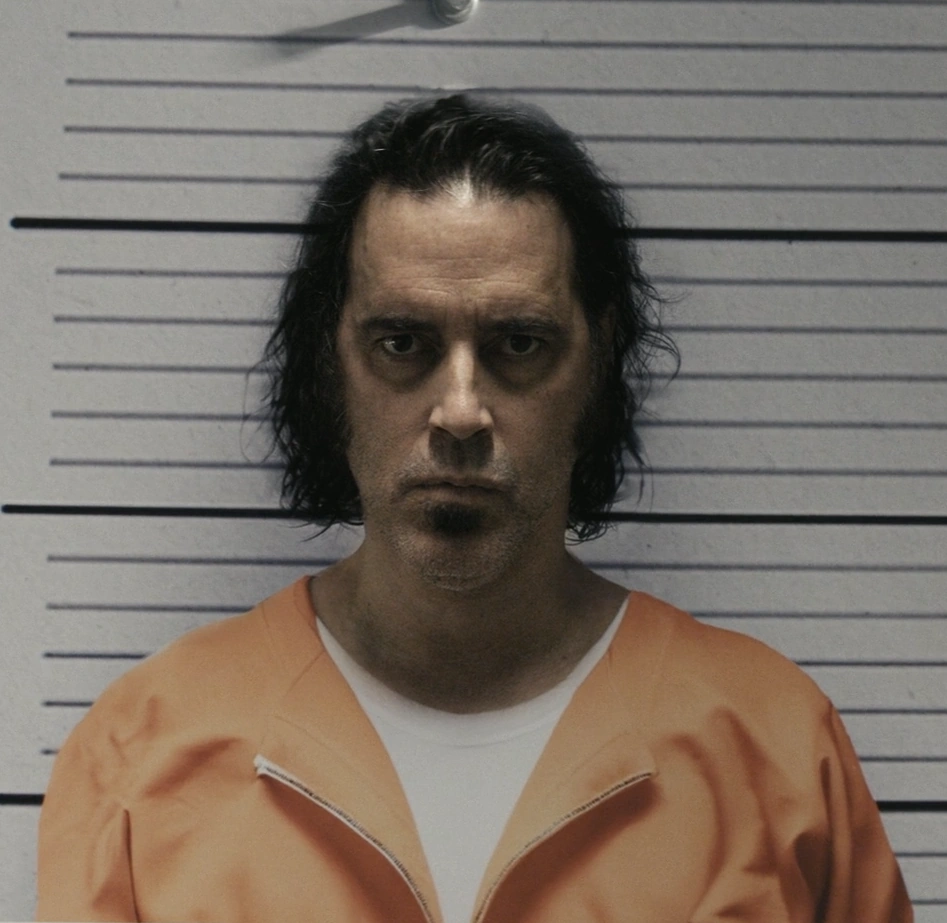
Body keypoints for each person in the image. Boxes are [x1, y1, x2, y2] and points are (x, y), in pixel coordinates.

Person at [36, 94, 912, 922]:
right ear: (329, 364)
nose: (459, 411)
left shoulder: (774, 748)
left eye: (518, 343)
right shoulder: (143, 751)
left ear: (598, 362)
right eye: (401, 342)